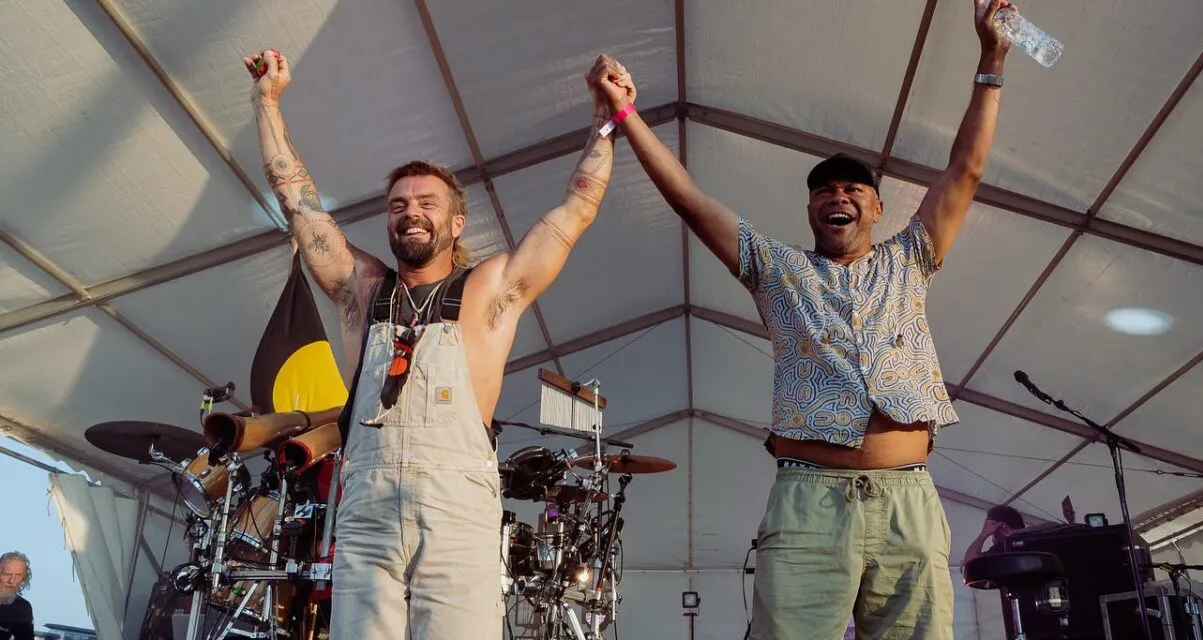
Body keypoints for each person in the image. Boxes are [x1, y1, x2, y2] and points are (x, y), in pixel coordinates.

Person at [592, 1, 1017, 637]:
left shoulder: (911, 257)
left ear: (875, 207)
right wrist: (627, 115)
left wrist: (991, 58)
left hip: (909, 499)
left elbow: (967, 170)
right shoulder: (777, 269)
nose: (837, 196)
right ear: (811, 210)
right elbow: (689, 199)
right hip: (809, 499)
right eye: (823, 191)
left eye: (851, 190)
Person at [242, 49, 631, 639]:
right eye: (398, 205)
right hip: (367, 508)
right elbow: (298, 201)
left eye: (427, 203)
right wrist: (266, 102)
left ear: (455, 223)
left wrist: (607, 119)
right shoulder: (360, 288)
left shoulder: (492, 288)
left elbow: (575, 210)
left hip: (458, 508)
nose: (410, 213)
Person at [0, 552, 34, 640]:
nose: (12, 581)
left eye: (18, 575)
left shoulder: (22, 608)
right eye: (7, 574)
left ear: (24, 578)